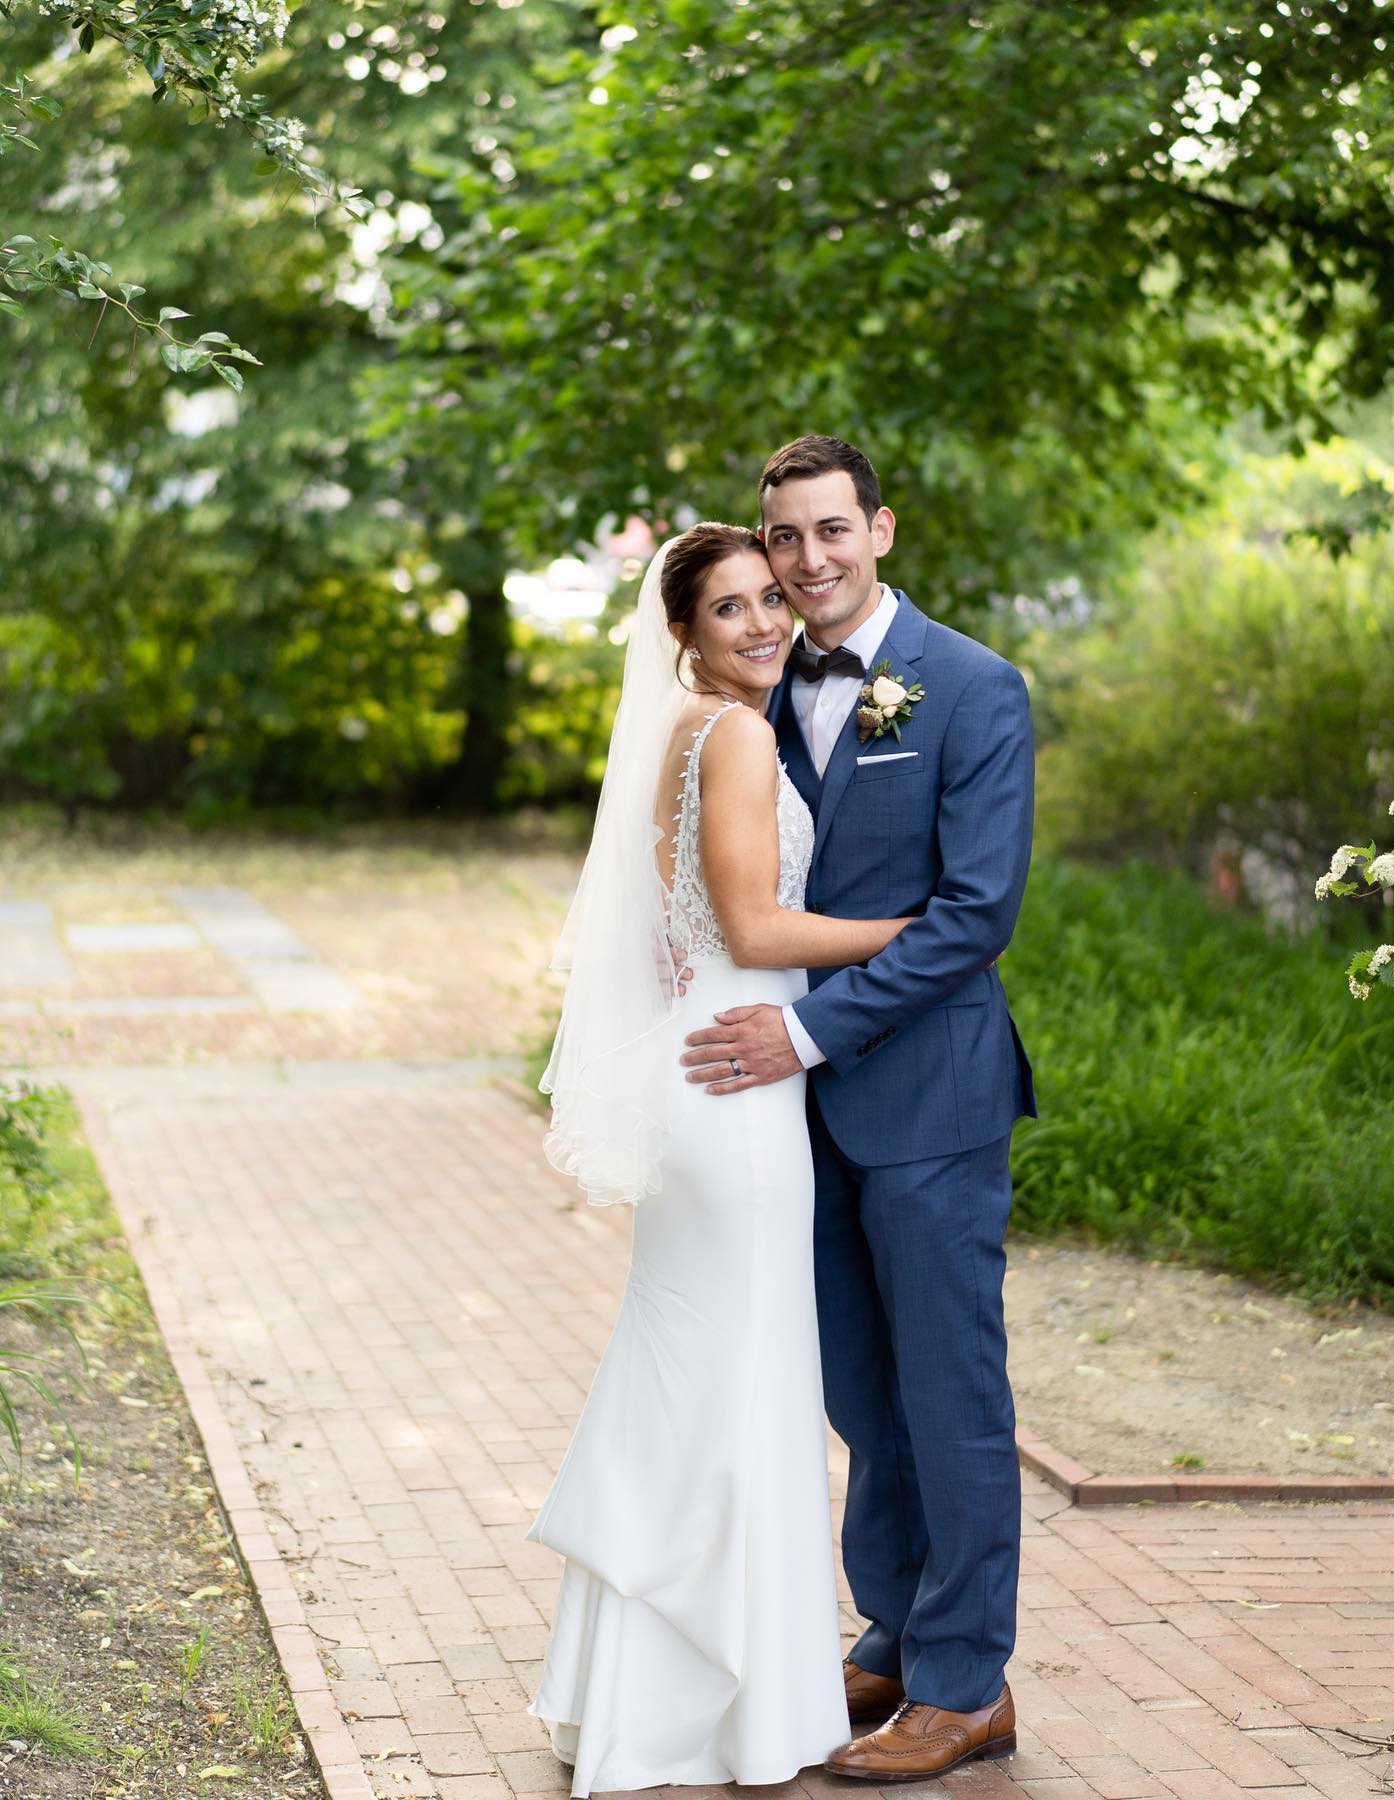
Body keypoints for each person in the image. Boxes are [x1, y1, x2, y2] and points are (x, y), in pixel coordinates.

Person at [528, 522, 917, 1796]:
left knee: (700, 1364)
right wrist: (913, 930)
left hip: (703, 1064)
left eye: (768, 600)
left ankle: (638, 1697)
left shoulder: (680, 729)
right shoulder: (735, 735)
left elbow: (679, 930)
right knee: (741, 1376)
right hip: (740, 1080)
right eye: (731, 608)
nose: (763, 623)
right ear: (685, 631)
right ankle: (716, 1708)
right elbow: (752, 925)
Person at [682, 436, 1036, 1782]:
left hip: (929, 1099)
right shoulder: (757, 693)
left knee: (951, 1396)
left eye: (832, 530)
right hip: (794, 1120)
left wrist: (804, 1032)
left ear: (880, 530)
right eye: (784, 536)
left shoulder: (974, 687)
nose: (806, 560)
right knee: (863, 1398)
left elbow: (975, 915)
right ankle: (894, 1630)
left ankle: (968, 1684)